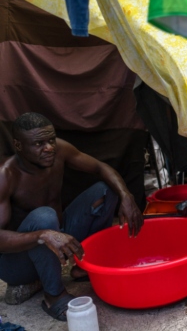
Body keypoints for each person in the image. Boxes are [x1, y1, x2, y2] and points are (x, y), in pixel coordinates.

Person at [0, 113, 143, 321]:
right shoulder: (6, 176)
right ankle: (53, 295)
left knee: (105, 190)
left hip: (56, 234)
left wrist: (126, 196)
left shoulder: (59, 150)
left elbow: (99, 167)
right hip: (17, 263)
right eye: (39, 143)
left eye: (50, 140)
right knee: (44, 217)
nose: (48, 147)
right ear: (18, 145)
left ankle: (83, 266)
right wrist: (43, 235)